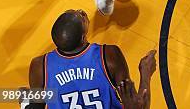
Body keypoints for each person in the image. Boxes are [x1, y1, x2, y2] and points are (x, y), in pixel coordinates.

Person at [26, 9, 156, 108]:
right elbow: (138, 105)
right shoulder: (109, 56)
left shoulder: (39, 67)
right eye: (81, 17)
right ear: (83, 38)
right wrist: (146, 73)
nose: (82, 12)